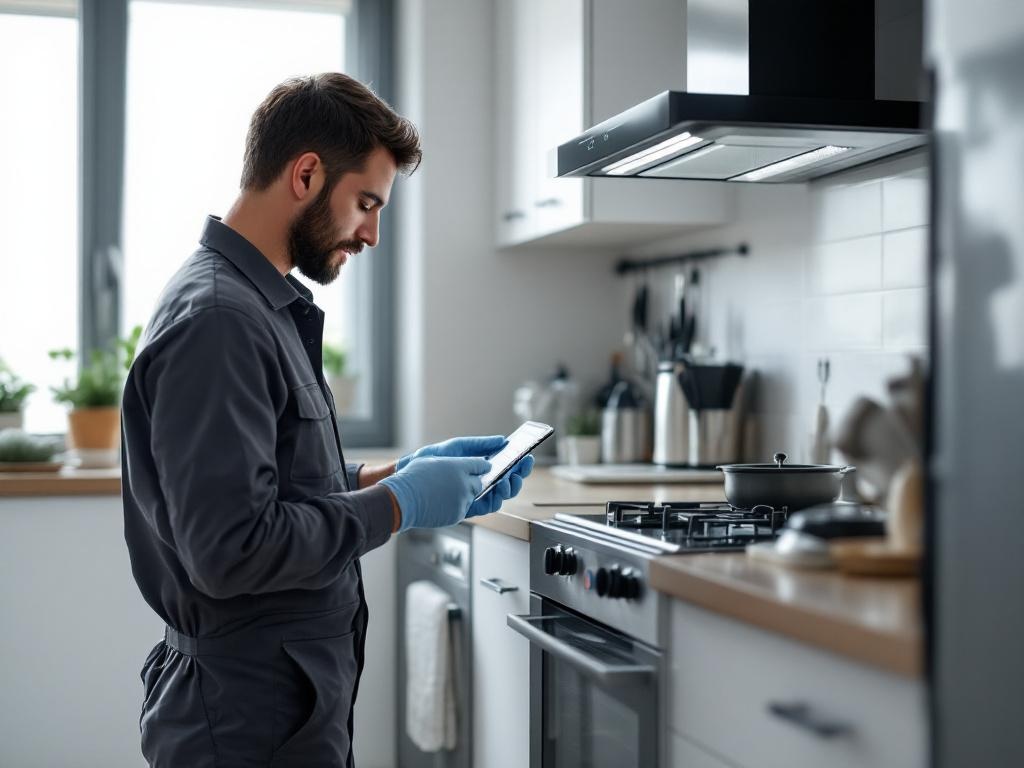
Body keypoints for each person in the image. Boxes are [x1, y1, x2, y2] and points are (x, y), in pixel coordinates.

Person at [120, 72, 534, 767]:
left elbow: (271, 479)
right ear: (307, 173)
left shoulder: (259, 305)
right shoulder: (220, 320)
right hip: (243, 721)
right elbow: (232, 549)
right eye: (366, 202)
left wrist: (392, 474)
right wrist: (396, 507)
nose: (371, 233)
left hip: (279, 708)